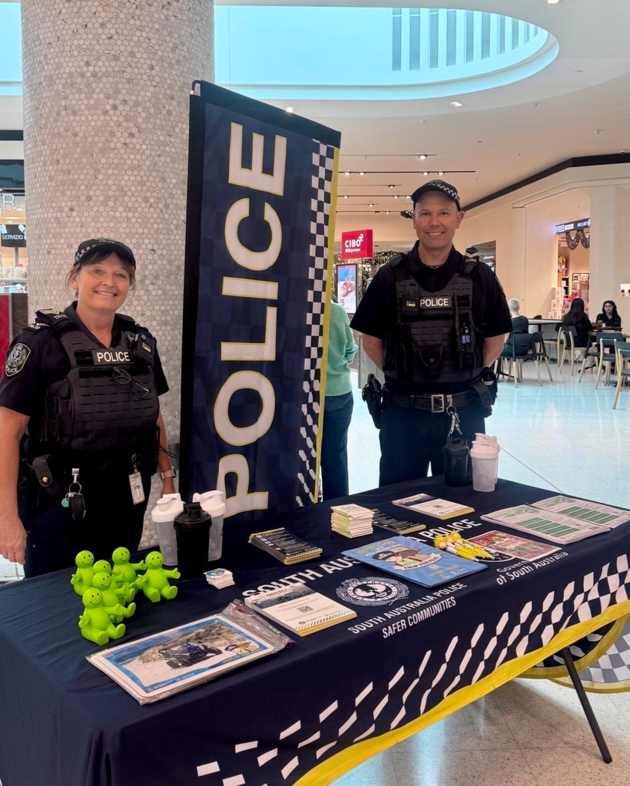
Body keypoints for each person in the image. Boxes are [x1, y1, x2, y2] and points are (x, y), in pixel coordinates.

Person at [0, 238, 176, 578]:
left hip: (127, 497)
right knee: (56, 606)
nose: (109, 282)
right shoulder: (40, 343)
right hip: (60, 501)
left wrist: (168, 478)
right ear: (75, 278)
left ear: (130, 285)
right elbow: (6, 433)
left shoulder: (140, 342)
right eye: (97, 270)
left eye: (121, 275)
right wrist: (7, 519)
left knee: (119, 591)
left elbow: (153, 413)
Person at [351, 180, 511, 486]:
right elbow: (370, 341)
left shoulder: (480, 278)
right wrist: (407, 373)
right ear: (413, 218)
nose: (434, 222)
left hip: (463, 415)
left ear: (458, 219)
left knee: (465, 505)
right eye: (425, 214)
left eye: (443, 213)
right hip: (403, 415)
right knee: (397, 506)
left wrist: (465, 372)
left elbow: (495, 340)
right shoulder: (389, 277)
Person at [320, 297, 358, 500]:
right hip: (339, 392)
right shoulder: (335, 310)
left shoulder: (297, 309)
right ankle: (337, 509)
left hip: (306, 395)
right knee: (336, 457)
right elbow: (350, 349)